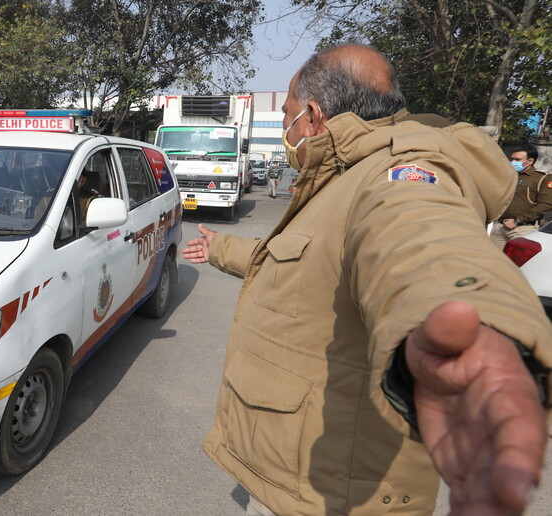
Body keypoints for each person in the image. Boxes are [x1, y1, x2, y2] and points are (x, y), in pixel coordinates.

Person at [183, 44, 552, 516]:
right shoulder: (341, 177)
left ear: (313, 116)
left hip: (330, 492)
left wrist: (476, 327)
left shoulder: (394, 172)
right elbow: (305, 263)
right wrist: (219, 248)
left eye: (287, 116)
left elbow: (418, 239)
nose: (284, 130)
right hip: (300, 475)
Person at [489, 144, 552, 248]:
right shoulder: (509, 176)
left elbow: (546, 204)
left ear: (530, 161)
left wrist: (518, 220)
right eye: (512, 159)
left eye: (517, 159)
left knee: (514, 263)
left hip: (522, 228)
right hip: (499, 226)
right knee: (491, 261)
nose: (513, 162)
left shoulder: (542, 178)